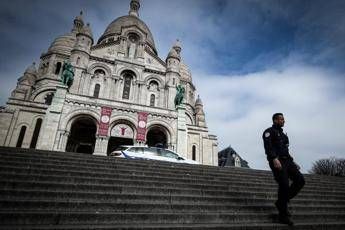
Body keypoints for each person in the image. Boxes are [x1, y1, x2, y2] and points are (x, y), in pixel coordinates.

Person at [262, 113, 305, 226]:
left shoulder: (284, 135)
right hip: (277, 160)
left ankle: (281, 202)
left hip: (288, 161)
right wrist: (274, 158)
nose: (283, 121)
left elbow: (286, 150)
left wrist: (293, 161)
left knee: (300, 180)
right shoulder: (268, 132)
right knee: (284, 184)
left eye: (283, 119)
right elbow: (268, 146)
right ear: (275, 120)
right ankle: (283, 215)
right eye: (281, 119)